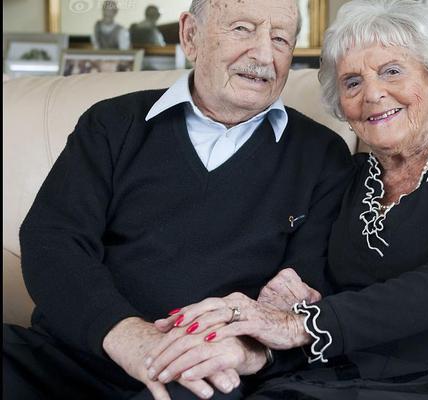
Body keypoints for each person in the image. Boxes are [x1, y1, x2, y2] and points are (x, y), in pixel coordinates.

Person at [146, 1, 428, 399]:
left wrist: (303, 323)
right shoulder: (345, 178)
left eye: (391, 71)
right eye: (352, 82)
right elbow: (312, 281)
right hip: (342, 379)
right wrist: (286, 297)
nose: (372, 93)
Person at [2, 0, 353, 399]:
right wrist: (128, 337)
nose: (263, 54)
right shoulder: (112, 123)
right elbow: (53, 241)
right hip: (75, 353)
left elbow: (306, 299)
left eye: (280, 39)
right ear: (190, 36)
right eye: (242, 29)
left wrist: (242, 349)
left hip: (202, 368)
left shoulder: (322, 156)